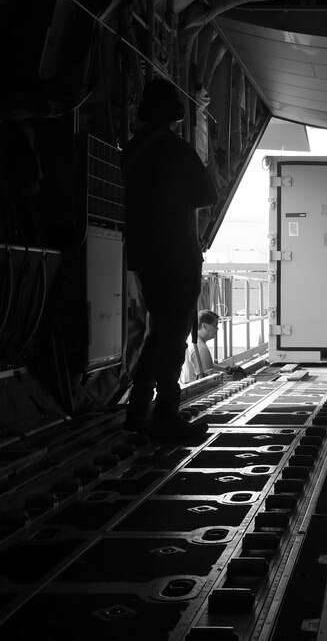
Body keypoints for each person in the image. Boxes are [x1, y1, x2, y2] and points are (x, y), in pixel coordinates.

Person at [122, 79, 219, 442]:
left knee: (159, 331)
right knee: (173, 334)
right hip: (177, 253)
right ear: (176, 119)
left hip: (144, 255)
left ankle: (137, 410)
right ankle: (164, 416)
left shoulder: (131, 150)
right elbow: (207, 193)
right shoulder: (175, 149)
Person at [180, 310, 246, 383]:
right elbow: (208, 379)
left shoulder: (191, 340)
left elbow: (205, 364)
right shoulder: (201, 349)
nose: (217, 329)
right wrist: (230, 378)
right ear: (204, 326)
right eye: (215, 325)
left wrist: (227, 369)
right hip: (196, 390)